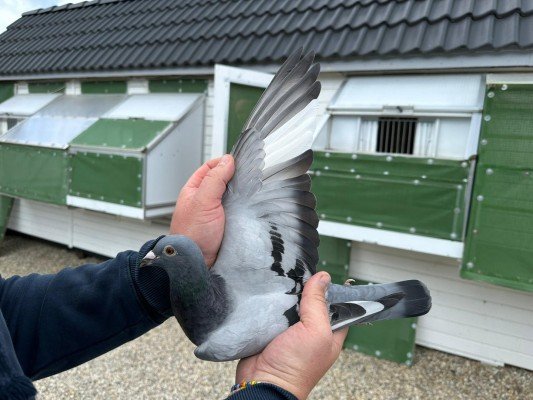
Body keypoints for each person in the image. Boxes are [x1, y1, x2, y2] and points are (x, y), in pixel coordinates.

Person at [0, 155, 347, 400]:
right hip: (294, 299)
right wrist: (273, 386)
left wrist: (167, 270)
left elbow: (9, 315)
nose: (150, 256)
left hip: (289, 298)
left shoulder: (216, 331)